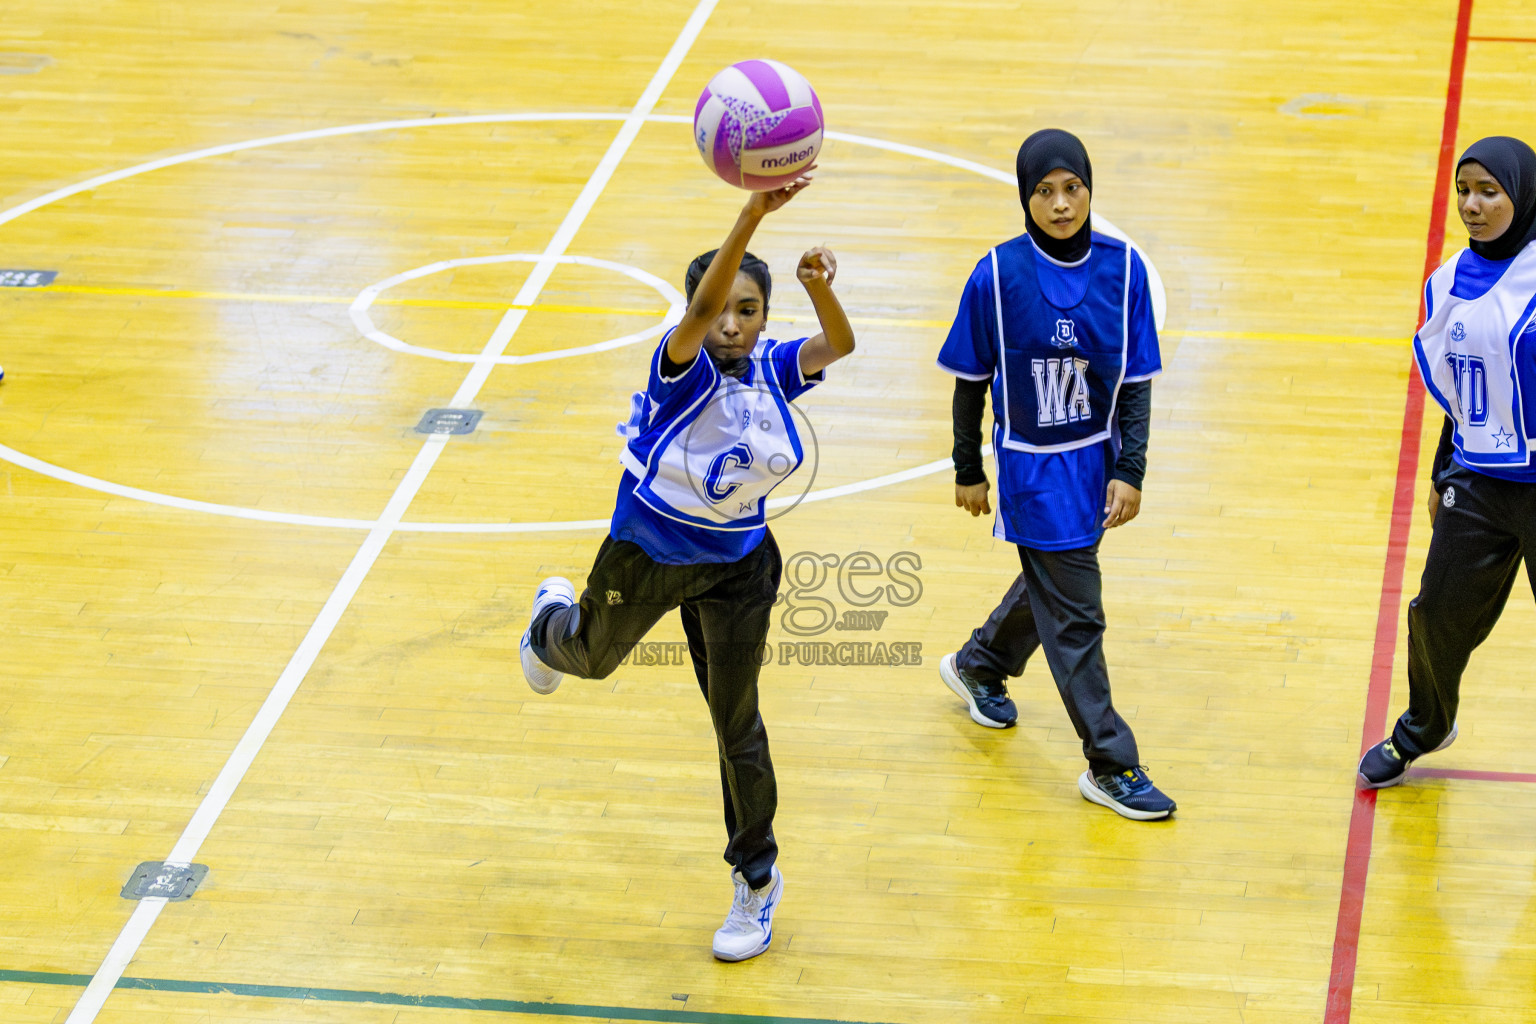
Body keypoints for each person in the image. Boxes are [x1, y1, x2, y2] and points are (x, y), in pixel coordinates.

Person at [518, 172, 855, 960]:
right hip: (648, 554)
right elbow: (701, 313)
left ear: (766, 316)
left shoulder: (772, 369)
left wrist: (817, 287)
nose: (733, 325)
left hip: (738, 566)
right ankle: (546, 628)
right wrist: (754, 211)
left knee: (738, 725)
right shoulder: (681, 367)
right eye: (721, 309)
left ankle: (757, 884)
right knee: (591, 659)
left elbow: (837, 344)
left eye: (751, 310)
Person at [934, 128, 1175, 821]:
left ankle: (981, 663)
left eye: (1073, 188)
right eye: (1045, 191)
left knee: (1052, 585)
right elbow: (970, 381)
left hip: (1094, 460)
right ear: (1025, 197)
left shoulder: (1123, 270)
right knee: (1077, 616)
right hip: (1032, 472)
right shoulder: (996, 275)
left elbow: (1135, 383)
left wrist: (1130, 469)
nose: (1061, 204)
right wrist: (967, 467)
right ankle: (1111, 762)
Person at [1358, 136, 1536, 789]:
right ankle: (1424, 728)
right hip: (1480, 482)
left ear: (1522, 193)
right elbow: (1464, 390)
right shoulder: (1447, 283)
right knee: (1435, 613)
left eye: (1490, 191)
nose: (1473, 205)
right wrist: (1442, 470)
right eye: (1465, 190)